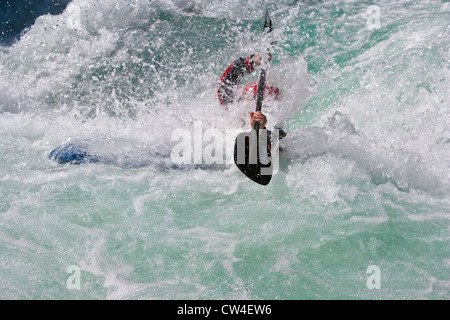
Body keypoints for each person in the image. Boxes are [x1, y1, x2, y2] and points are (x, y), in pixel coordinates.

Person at [217, 53, 286, 137]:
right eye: (249, 98)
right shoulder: (231, 108)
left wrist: (261, 130)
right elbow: (224, 85)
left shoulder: (275, 128)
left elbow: (273, 147)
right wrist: (250, 62)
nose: (252, 113)